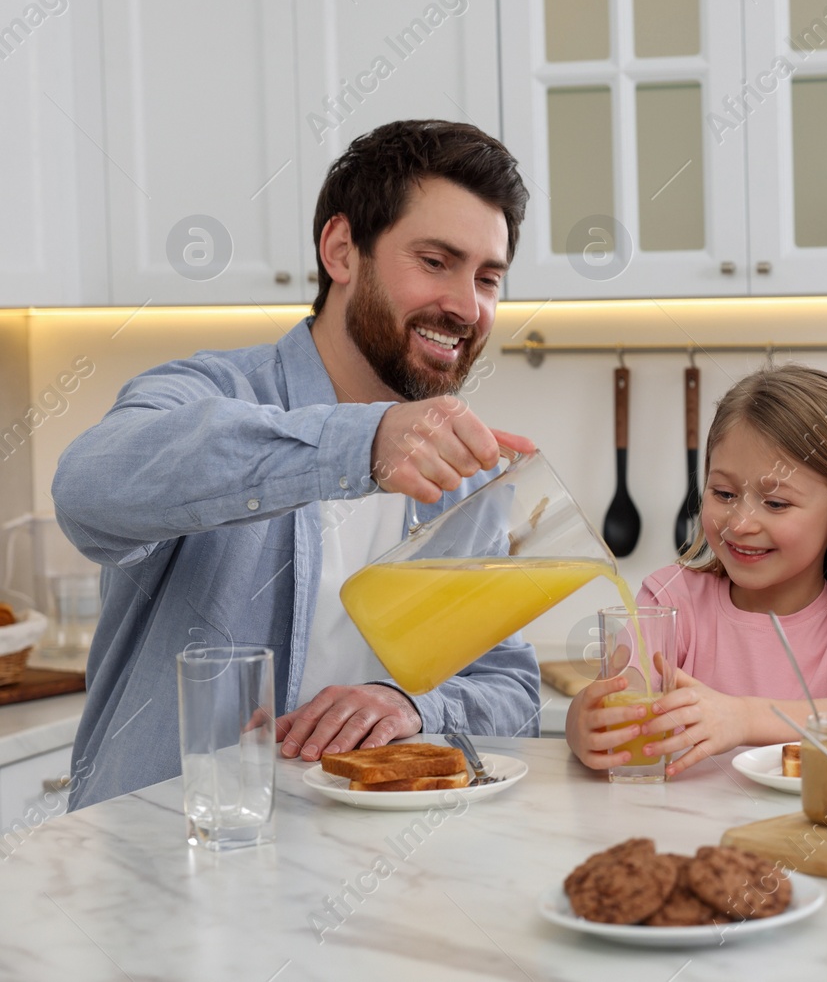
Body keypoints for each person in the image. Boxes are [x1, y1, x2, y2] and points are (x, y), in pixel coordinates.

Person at [55, 120, 540, 809]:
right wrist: (362, 444)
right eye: (435, 261)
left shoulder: (468, 473)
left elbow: (514, 690)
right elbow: (86, 489)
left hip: (364, 877)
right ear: (342, 250)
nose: (467, 305)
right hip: (163, 870)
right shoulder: (209, 394)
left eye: (488, 277)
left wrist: (409, 703)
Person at [566, 366, 827, 777]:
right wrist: (581, 726)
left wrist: (744, 718)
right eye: (725, 494)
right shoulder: (672, 600)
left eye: (776, 503)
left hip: (812, 833)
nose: (740, 523)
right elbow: (617, 701)